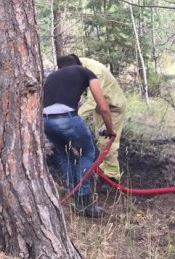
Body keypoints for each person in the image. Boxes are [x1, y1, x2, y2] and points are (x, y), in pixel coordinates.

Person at [43, 56, 116, 218]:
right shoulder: (86, 72)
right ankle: (84, 201)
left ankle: (73, 194)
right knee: (87, 152)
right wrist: (111, 130)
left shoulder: (52, 76)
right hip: (67, 118)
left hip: (45, 121)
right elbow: (103, 107)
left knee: (65, 154)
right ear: (78, 64)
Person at [70, 55, 127, 191]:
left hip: (113, 107)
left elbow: (91, 101)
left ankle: (112, 177)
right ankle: (104, 170)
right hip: (101, 108)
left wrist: (72, 121)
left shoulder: (94, 71)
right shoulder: (77, 66)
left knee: (109, 142)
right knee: (100, 139)